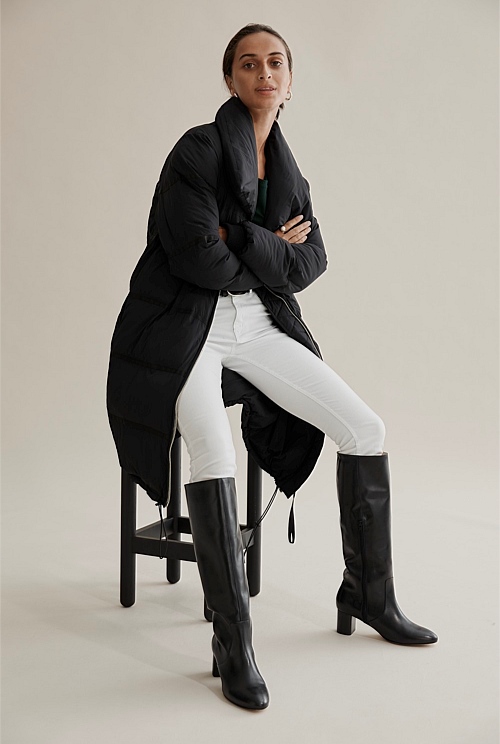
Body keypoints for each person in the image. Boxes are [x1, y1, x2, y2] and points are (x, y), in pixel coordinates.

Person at [106, 23, 438, 712]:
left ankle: (369, 595)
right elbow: (198, 258)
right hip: (185, 327)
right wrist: (264, 247)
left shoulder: (289, 171)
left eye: (276, 63)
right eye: (249, 63)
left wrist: (239, 236)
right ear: (231, 78)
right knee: (213, 450)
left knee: (365, 428)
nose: (264, 73)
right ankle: (232, 644)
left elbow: (310, 263)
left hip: (257, 325)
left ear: (290, 81)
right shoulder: (196, 150)